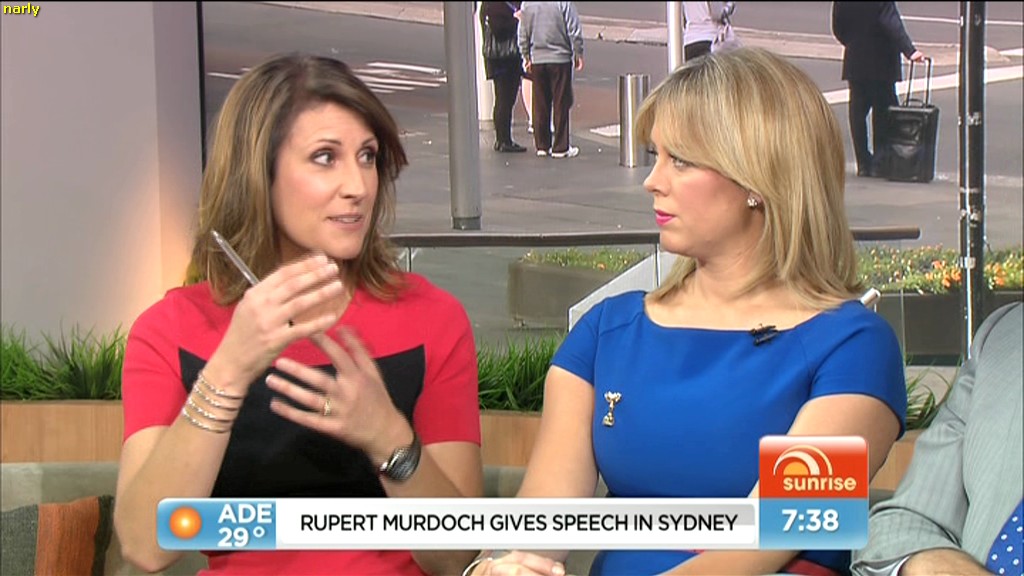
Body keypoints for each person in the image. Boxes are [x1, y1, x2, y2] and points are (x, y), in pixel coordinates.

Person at [463, 47, 908, 576]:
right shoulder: (606, 332)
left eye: (681, 160)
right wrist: (505, 567)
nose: (652, 180)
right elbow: (540, 524)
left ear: (757, 178)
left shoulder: (855, 347)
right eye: (656, 155)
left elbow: (773, 535)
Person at [113, 53, 483, 576]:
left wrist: (389, 439)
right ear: (257, 174)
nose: (358, 186)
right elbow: (145, 546)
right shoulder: (169, 331)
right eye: (325, 157)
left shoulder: (432, 319)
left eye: (368, 156)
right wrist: (229, 368)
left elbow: (456, 555)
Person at [852, 302, 1023, 576]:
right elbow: (901, 523)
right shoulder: (1005, 334)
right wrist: (935, 565)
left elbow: (791, 520)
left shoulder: (854, 338)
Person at [832, 2, 926, 178]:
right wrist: (910, 51)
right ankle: (879, 161)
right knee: (883, 111)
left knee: (858, 112)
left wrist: (853, 42)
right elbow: (891, 23)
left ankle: (863, 162)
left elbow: (838, 28)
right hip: (882, 60)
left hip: (856, 58)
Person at [517, 1, 584, 159]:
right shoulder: (563, 3)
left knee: (540, 103)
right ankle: (560, 146)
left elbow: (523, 32)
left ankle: (542, 144)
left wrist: (526, 55)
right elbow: (574, 29)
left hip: (537, 58)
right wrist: (578, 52)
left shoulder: (528, 4)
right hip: (560, 57)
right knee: (561, 102)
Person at [482, 1, 528, 153]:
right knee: (505, 100)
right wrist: (517, 20)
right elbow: (500, 30)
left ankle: (502, 139)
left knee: (502, 99)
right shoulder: (498, 6)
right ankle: (504, 140)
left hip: (495, 58)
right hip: (505, 58)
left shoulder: (488, 5)